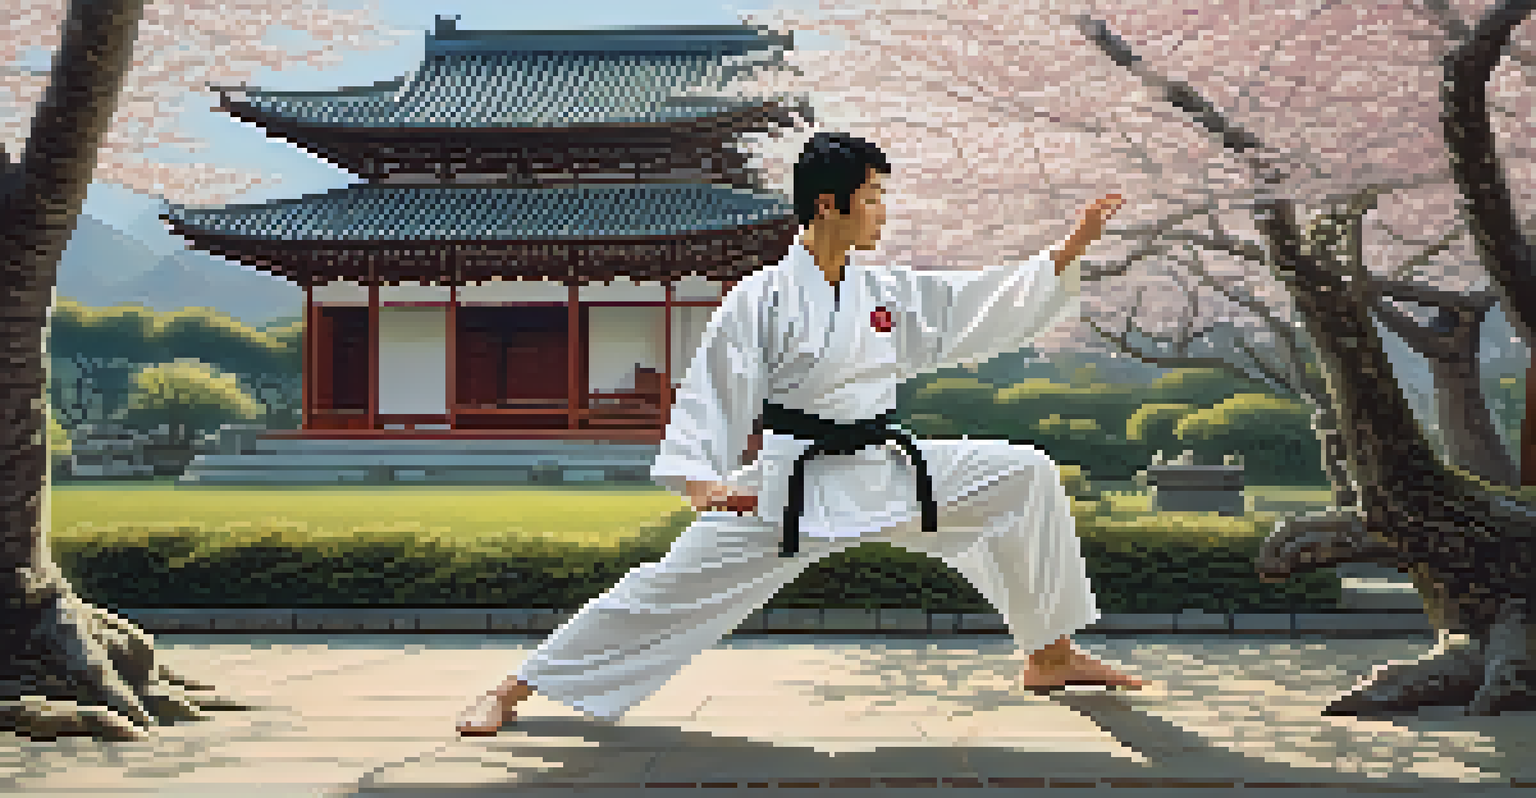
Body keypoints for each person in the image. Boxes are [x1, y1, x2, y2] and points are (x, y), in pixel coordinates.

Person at [456, 131, 1141, 736]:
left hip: (884, 468)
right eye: (872, 197)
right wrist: (702, 480)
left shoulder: (884, 292)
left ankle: (1049, 654)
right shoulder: (763, 296)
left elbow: (973, 306)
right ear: (827, 204)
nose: (883, 212)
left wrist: (1068, 249)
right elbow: (713, 388)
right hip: (793, 487)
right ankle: (515, 686)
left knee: (1023, 474)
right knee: (666, 589)